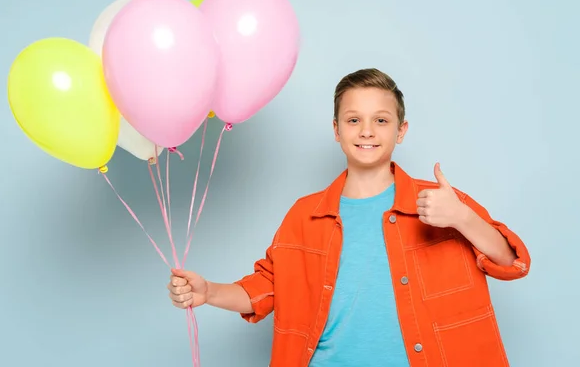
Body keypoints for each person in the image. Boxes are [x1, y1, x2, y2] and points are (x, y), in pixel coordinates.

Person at [167, 68, 531, 367]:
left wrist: (461, 218)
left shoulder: (443, 203)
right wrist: (209, 292)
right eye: (354, 119)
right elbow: (266, 287)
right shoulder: (303, 215)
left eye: (381, 120)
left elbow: (511, 262)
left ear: (401, 131)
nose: (367, 131)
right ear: (337, 130)